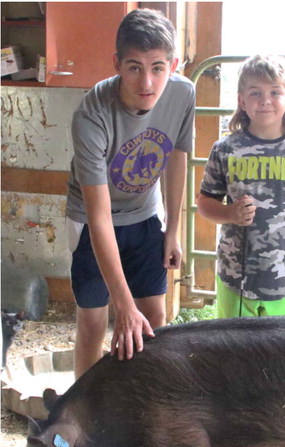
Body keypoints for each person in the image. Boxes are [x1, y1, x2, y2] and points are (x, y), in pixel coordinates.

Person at [66, 8, 195, 377]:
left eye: (158, 67)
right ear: (117, 64)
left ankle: (143, 408)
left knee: (154, 317)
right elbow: (99, 215)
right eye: (135, 66)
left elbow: (175, 157)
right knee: (94, 322)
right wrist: (122, 304)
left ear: (172, 66)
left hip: (145, 212)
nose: (147, 82)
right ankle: (82, 421)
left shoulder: (182, 93)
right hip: (92, 221)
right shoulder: (92, 114)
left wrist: (173, 230)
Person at [197, 55, 285, 320]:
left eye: (275, 92)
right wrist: (229, 214)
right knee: (231, 349)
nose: (265, 100)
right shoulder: (225, 150)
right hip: (235, 279)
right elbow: (205, 204)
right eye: (255, 92)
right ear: (241, 101)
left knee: (278, 355)